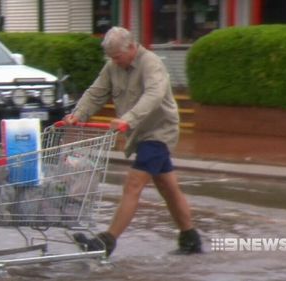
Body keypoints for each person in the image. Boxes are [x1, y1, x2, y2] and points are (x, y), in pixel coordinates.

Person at [64, 26, 202, 256]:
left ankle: (106, 242)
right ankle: (190, 238)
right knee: (168, 188)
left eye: (117, 57)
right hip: (138, 134)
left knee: (133, 184)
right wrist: (79, 113)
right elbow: (96, 92)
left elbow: (154, 95)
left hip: (158, 133)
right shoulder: (112, 67)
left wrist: (127, 119)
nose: (114, 62)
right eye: (111, 58)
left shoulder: (151, 63)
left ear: (131, 47)